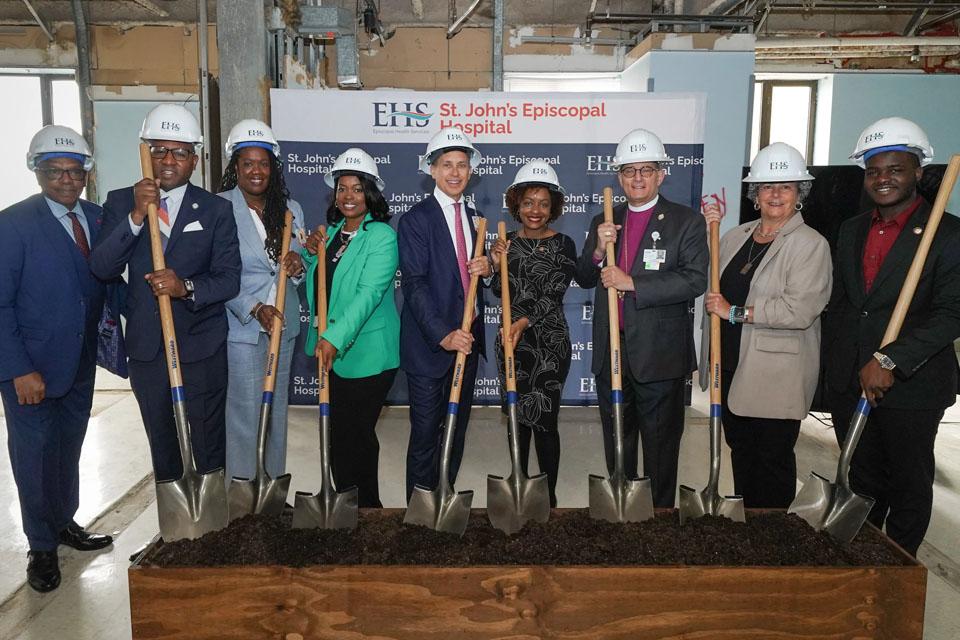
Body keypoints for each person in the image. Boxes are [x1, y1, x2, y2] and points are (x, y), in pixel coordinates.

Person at [823, 117, 960, 556]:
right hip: (851, 380)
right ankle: (862, 557)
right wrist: (836, 369)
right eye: (873, 171)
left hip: (911, 385)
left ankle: (896, 571)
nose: (883, 179)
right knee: (862, 479)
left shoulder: (948, 234)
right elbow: (846, 306)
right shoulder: (852, 229)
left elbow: (951, 313)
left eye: (895, 169)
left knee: (907, 484)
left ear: (918, 171)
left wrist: (890, 360)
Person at [90, 104, 241, 489]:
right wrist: (137, 218)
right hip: (148, 350)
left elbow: (228, 280)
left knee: (207, 441)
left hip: (201, 348)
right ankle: (174, 529)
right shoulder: (122, 201)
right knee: (161, 440)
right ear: (146, 153)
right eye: (159, 150)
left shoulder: (216, 210)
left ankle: (211, 524)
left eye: (179, 152)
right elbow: (102, 268)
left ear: (194, 159)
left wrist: (185, 287)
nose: (168, 160)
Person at [0, 126, 113, 593]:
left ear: (86, 172)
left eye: (75, 170)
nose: (67, 179)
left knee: (68, 449)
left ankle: (65, 522)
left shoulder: (97, 217)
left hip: (79, 362)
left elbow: (109, 279)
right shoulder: (12, 224)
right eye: (55, 171)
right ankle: (41, 546)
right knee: (34, 456)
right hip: (32, 369)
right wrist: (18, 369)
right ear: (37, 171)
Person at [575, 128, 708, 509]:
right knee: (618, 442)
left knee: (661, 447)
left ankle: (660, 518)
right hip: (612, 355)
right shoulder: (604, 219)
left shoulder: (686, 221)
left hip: (659, 355)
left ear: (661, 174)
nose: (637, 178)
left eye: (646, 170)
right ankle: (623, 512)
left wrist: (631, 282)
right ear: (619, 176)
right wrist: (599, 250)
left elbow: (694, 280)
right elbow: (585, 276)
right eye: (629, 171)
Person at [699, 143, 832, 509]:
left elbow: (800, 310)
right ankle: (748, 531)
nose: (775, 195)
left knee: (771, 460)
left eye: (785, 186)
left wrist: (736, 313)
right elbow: (714, 295)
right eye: (767, 187)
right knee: (741, 451)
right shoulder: (735, 237)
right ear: (755, 195)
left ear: (799, 194)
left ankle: (774, 538)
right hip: (729, 366)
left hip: (776, 373)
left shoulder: (810, 244)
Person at [301, 148, 400, 508]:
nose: (348, 196)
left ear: (370, 193)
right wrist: (311, 256)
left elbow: (367, 295)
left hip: (370, 354)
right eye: (342, 189)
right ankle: (342, 505)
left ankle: (368, 510)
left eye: (357, 189)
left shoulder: (382, 237)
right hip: (332, 352)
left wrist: (332, 338)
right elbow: (323, 286)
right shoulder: (333, 234)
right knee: (336, 434)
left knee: (356, 434)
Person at [398, 127, 493, 500]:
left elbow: (468, 279)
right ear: (432, 170)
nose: (455, 173)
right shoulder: (415, 220)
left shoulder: (476, 217)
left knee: (455, 429)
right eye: (447, 165)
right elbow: (416, 284)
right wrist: (444, 334)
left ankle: (445, 495)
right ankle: (419, 510)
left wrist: (487, 269)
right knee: (425, 434)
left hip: (466, 346)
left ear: (471, 171)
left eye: (462, 165)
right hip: (430, 348)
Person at [488, 160, 579, 507]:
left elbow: (553, 293)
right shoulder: (505, 242)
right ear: (516, 205)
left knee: (544, 420)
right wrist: (496, 265)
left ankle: (549, 496)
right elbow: (500, 290)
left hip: (549, 343)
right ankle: (520, 486)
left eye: (543, 203)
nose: (535, 210)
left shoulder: (564, 245)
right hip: (510, 343)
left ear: (553, 206)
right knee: (517, 417)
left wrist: (523, 323)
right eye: (528, 202)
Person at [219, 119, 305, 485]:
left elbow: (298, 263)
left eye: (264, 163)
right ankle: (242, 498)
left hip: (283, 328)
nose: (257, 171)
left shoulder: (292, 209)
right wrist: (255, 308)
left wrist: (299, 264)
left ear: (274, 167)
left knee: (277, 414)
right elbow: (218, 273)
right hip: (243, 328)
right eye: (248, 163)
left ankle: (271, 490)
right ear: (235, 167)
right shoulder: (219, 208)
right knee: (244, 414)